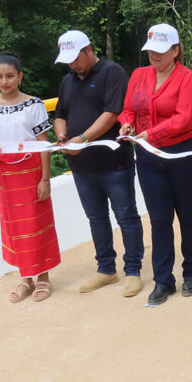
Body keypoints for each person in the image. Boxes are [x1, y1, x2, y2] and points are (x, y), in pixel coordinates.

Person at [119, 23, 192, 306]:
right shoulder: (139, 75)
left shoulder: (187, 79)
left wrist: (151, 133)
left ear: (175, 49)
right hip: (149, 156)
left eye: (160, 51)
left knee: (187, 213)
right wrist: (126, 125)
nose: (154, 56)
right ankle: (163, 280)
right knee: (159, 219)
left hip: (184, 154)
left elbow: (185, 119)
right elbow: (128, 109)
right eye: (150, 51)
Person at [54, 30, 145, 297]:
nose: (72, 64)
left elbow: (112, 113)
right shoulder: (68, 81)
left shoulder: (112, 72)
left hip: (114, 162)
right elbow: (60, 113)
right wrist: (62, 135)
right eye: (68, 60)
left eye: (75, 58)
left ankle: (133, 270)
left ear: (89, 50)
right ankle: (105, 268)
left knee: (126, 215)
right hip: (82, 167)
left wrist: (81, 138)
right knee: (95, 218)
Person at [0, 53, 62, 302]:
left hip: (31, 172)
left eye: (10, 76)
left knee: (36, 223)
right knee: (13, 226)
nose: (4, 81)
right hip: (5, 174)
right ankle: (25, 278)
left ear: (20, 76)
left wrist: (45, 179)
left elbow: (43, 142)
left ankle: (43, 277)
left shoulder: (33, 104)